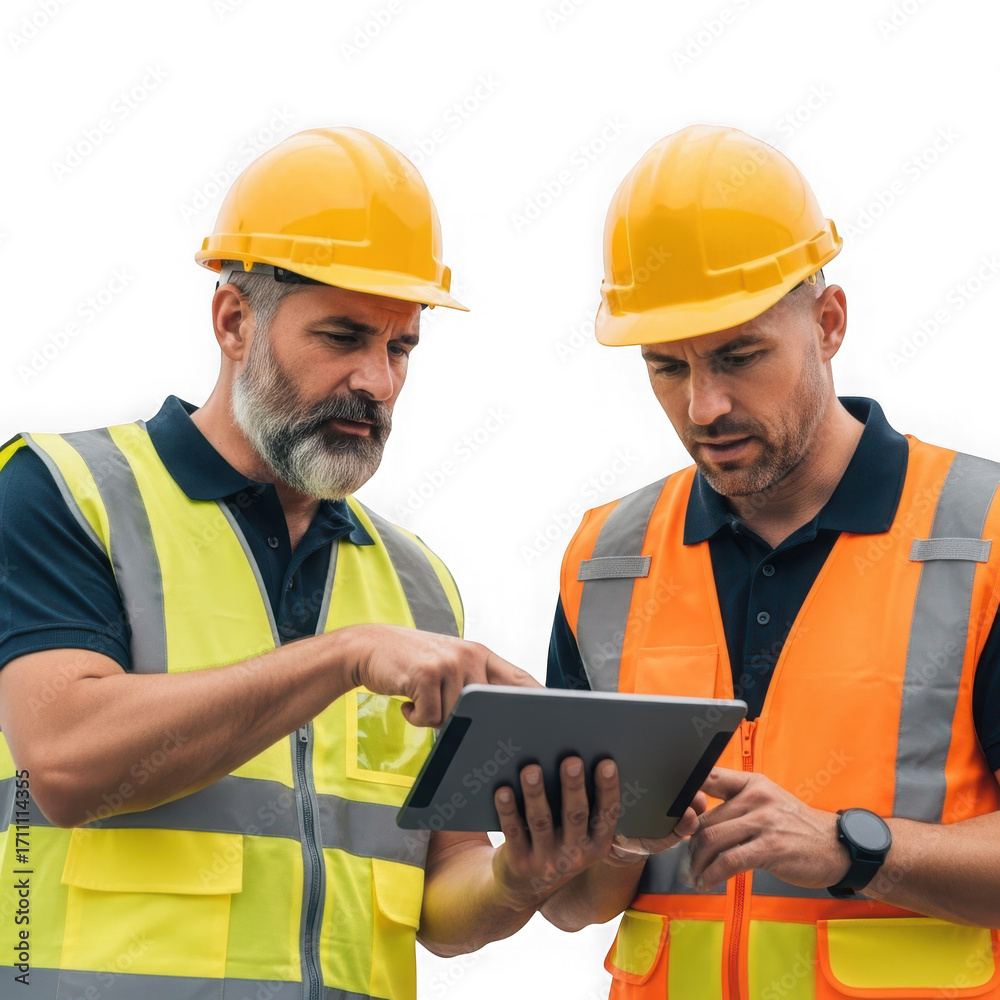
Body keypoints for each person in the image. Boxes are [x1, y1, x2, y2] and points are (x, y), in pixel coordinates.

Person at [0, 126, 549, 1000]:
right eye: (342, 337)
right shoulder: (69, 493)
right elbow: (65, 764)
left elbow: (439, 900)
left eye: (401, 347)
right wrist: (342, 657)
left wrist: (522, 879)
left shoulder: (416, 584)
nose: (378, 380)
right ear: (232, 320)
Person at [542, 125, 1000, 999]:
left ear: (828, 324)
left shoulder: (987, 537)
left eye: (740, 356)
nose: (704, 404)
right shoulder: (603, 560)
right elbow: (576, 908)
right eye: (665, 367)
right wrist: (580, 855)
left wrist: (850, 846)